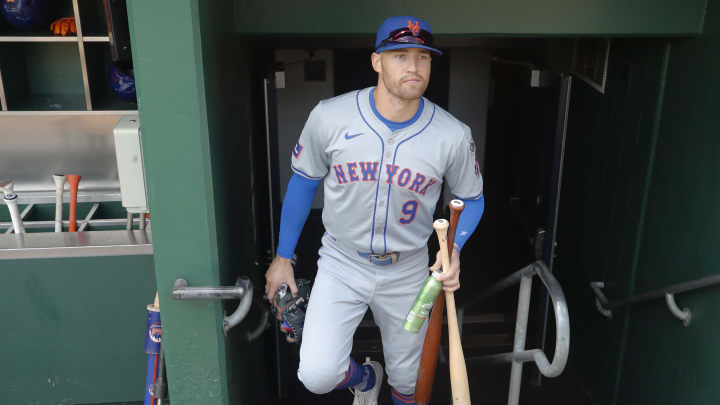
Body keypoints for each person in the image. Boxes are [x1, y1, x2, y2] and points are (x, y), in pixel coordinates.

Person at [264, 15, 485, 405]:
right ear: (377, 61)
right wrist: (283, 257)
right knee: (316, 374)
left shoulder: (452, 135)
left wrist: (454, 250)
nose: (413, 67)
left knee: (409, 381)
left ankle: (390, 382)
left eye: (423, 57)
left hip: (408, 269)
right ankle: (366, 377)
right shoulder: (330, 116)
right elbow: (302, 182)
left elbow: (472, 198)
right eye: (400, 55)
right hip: (341, 261)